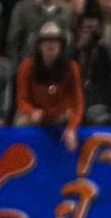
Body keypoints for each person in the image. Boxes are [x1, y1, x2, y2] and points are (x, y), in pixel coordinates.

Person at [14, 22, 81, 150]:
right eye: (46, 41)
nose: (51, 45)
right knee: (20, 123)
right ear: (39, 46)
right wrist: (31, 111)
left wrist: (72, 128)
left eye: (55, 41)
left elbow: (77, 104)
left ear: (61, 46)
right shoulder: (26, 67)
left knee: (71, 125)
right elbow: (22, 99)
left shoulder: (72, 68)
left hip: (60, 114)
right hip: (35, 113)